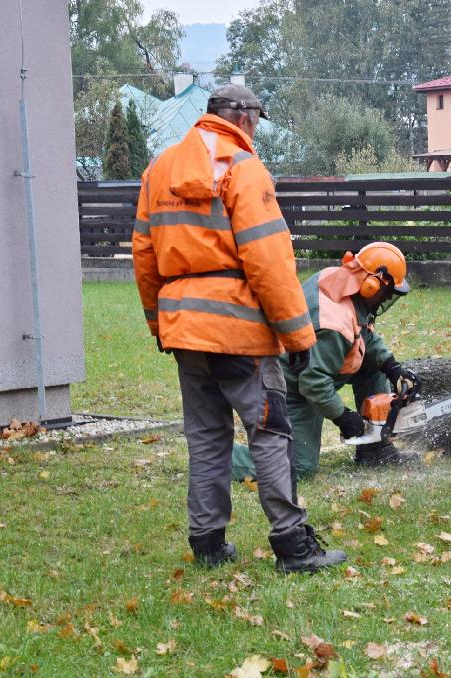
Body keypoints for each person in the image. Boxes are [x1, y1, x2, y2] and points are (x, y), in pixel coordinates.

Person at [132, 83, 346, 573]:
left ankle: (207, 544)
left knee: (207, 437)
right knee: (270, 432)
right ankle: (293, 546)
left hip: (184, 325)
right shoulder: (243, 169)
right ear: (245, 118)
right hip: (238, 332)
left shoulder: (158, 170)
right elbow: (268, 259)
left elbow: (144, 258)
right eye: (257, 121)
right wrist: (297, 336)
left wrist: (158, 324)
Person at [230, 241, 419, 480]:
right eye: (386, 294)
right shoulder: (333, 325)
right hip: (286, 385)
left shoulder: (339, 280)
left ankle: (375, 451)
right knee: (299, 466)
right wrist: (343, 416)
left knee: (374, 365)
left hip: (308, 366)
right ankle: (217, 458)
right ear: (372, 286)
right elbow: (313, 384)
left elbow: (363, 332)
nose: (384, 301)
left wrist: (391, 366)